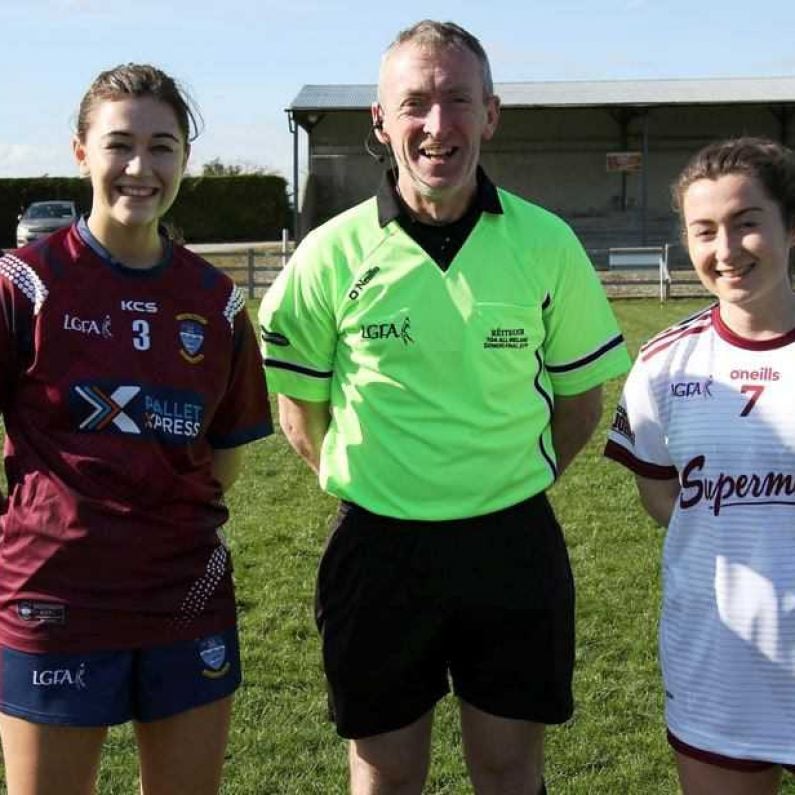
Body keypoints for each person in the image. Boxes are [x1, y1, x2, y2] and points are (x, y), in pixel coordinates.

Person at [260, 20, 631, 794]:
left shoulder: (547, 242)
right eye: (415, 102)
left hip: (511, 543)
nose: (437, 124)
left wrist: (495, 481)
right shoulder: (327, 252)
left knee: (506, 770)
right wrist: (387, 484)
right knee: (384, 774)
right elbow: (302, 414)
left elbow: (577, 404)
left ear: (489, 114)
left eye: (458, 100)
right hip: (377, 547)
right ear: (379, 119)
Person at [0, 64, 272, 795]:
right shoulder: (24, 282)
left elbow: (221, 458)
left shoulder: (214, 303)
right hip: (53, 598)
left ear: (185, 158)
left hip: (184, 597)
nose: (140, 167)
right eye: (119, 144)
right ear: (82, 152)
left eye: (162, 146)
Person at [604, 137, 795, 795]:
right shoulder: (662, 365)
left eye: (747, 223)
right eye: (704, 230)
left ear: (788, 227)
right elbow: (661, 498)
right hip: (720, 669)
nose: (726, 249)